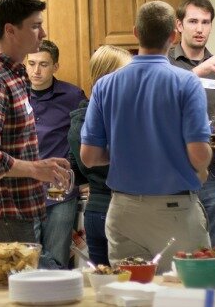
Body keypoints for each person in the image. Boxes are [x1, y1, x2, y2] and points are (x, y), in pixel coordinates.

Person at [81, 1, 211, 273]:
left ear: (136, 33)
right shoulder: (186, 82)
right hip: (175, 209)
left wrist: (119, 154)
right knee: (189, 291)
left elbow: (89, 157)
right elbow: (199, 153)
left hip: (124, 210)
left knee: (133, 293)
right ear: (173, 36)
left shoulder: (105, 85)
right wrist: (202, 168)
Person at [0, 0, 72, 246]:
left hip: (13, 212)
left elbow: (9, 146)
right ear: (10, 30)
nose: (42, 34)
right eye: (35, 26)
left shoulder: (14, 76)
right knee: (6, 287)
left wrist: (40, 165)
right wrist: (35, 169)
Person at [169, 0, 215, 250]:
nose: (200, 29)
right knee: (176, 248)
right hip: (173, 173)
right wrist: (197, 72)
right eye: (193, 21)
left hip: (214, 173)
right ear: (179, 25)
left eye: (206, 22)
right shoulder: (165, 64)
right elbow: (157, 103)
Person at [67, 45, 132, 266]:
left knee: (104, 286)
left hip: (95, 211)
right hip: (122, 210)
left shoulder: (79, 118)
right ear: (109, 77)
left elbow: (76, 173)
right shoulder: (117, 117)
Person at [27, 39, 87, 269]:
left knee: (57, 258)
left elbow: (83, 138)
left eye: (43, 64)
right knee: (26, 259)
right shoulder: (14, 94)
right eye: (31, 64)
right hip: (24, 192)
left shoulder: (73, 96)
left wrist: (81, 178)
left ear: (55, 66)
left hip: (60, 191)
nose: (36, 70)